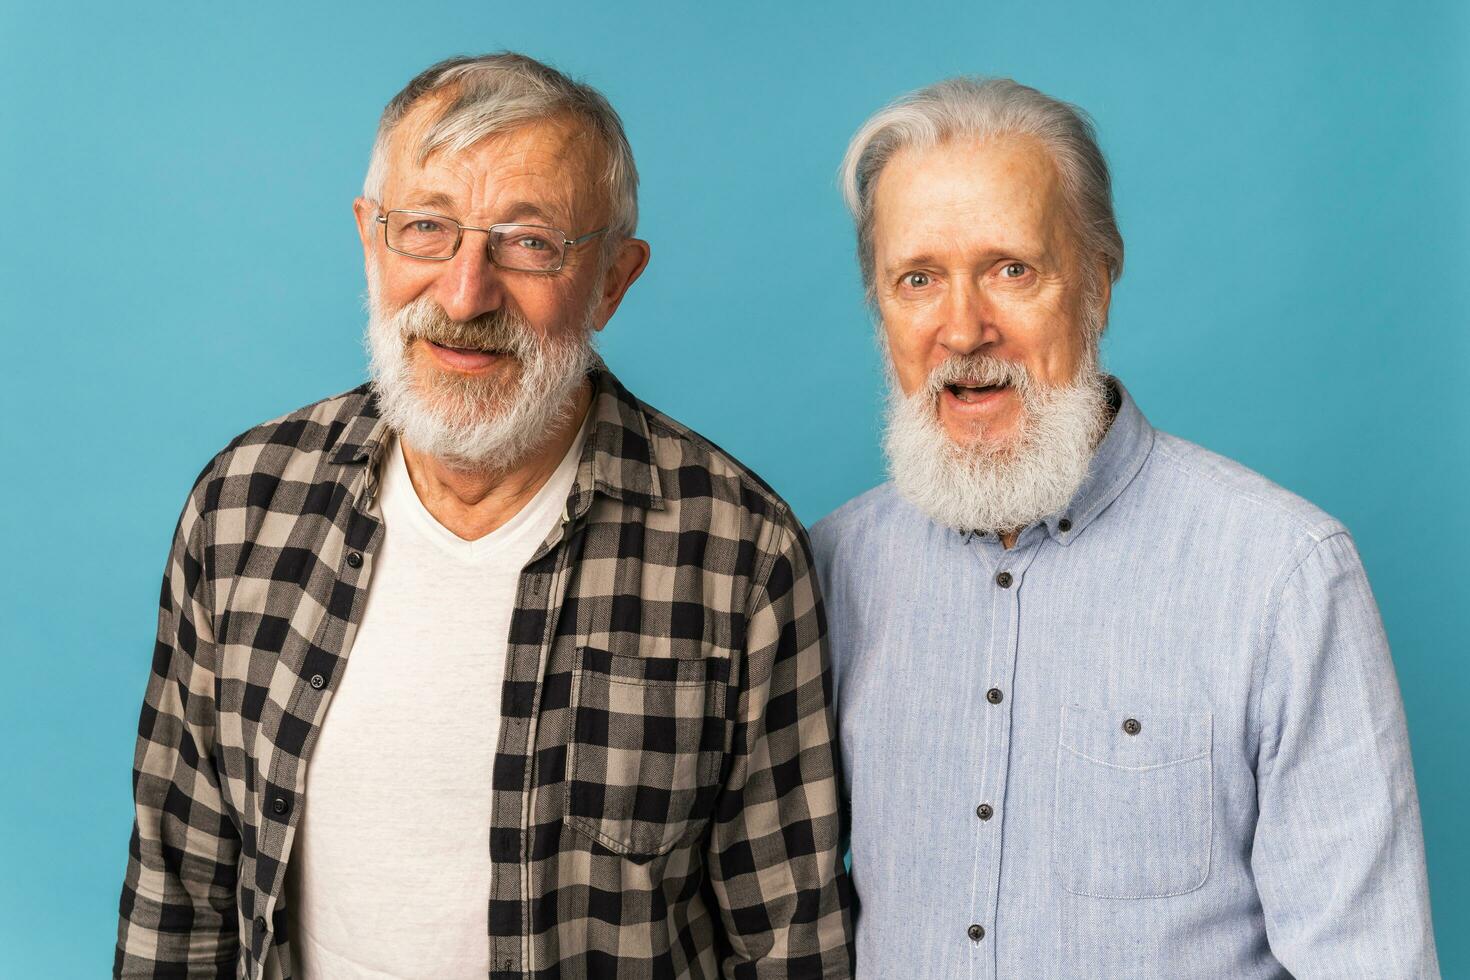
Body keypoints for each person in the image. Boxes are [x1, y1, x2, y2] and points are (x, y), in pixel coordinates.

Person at [115, 52, 852, 980]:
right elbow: (177, 899)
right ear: (370, 239)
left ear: (614, 282)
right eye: (427, 228)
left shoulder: (737, 552)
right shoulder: (243, 508)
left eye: (529, 242)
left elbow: (788, 944)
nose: (465, 294)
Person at [813, 77, 1438, 978]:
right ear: (882, 309)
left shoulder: (1283, 575)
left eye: (1011, 269)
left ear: (1098, 281)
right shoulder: (827, 569)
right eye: (918, 279)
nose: (962, 327)